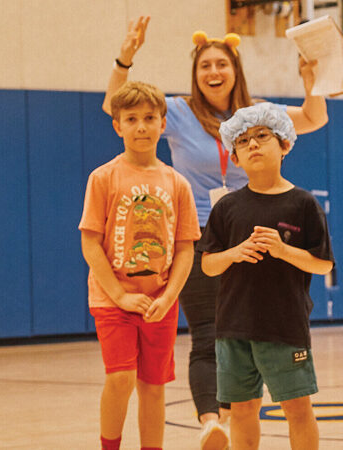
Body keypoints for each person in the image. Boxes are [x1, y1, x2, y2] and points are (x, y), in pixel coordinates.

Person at [102, 16, 328, 449]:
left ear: (235, 70)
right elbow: (117, 103)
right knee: (209, 333)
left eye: (221, 64)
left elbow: (314, 117)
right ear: (196, 73)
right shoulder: (180, 111)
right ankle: (212, 423)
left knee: (265, 327)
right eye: (205, 65)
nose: (213, 73)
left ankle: (253, 406)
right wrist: (125, 57)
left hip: (258, 232)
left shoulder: (258, 114)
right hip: (201, 235)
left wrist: (311, 79)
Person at [198, 102, 333, 450]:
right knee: (242, 410)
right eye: (243, 141)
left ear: (285, 144)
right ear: (236, 157)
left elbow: (323, 264)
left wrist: (283, 250)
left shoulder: (303, 204)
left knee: (297, 407)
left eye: (262, 136)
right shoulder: (226, 207)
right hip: (233, 328)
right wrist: (234, 253)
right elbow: (208, 264)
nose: (253, 144)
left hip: (284, 326)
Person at [80, 81, 201, 450]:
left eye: (150, 118)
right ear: (117, 125)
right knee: (121, 379)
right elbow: (90, 243)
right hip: (112, 301)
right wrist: (118, 294)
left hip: (159, 303)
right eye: (131, 119)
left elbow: (184, 249)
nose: (142, 127)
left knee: (153, 387)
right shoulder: (103, 177)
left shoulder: (177, 183)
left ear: (164, 123)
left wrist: (168, 297)